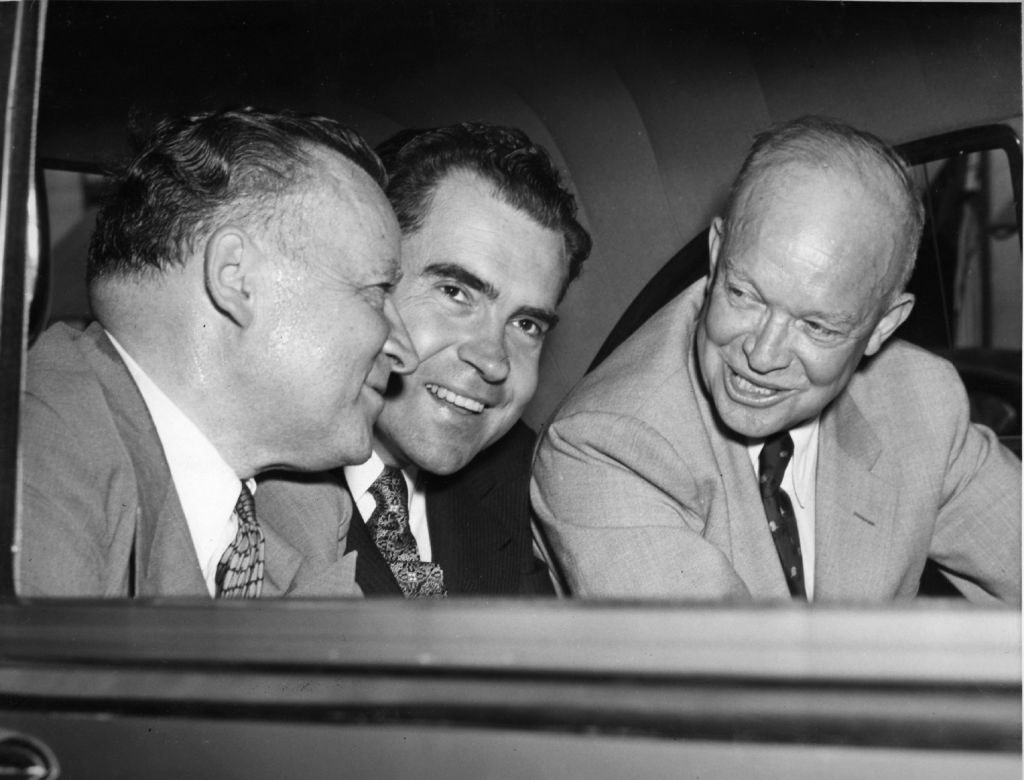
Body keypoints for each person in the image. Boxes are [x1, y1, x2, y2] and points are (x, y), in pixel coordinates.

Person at [531, 116, 1021, 603]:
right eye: (744, 295)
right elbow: (730, 658)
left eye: (816, 327)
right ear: (717, 254)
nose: (761, 356)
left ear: (883, 327)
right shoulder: (607, 445)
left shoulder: (921, 401)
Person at [16, 108, 418, 598]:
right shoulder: (33, 458)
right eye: (376, 292)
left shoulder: (302, 508)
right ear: (236, 278)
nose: (405, 352)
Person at [340, 122, 591, 597]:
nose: (493, 361)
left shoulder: (533, 481)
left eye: (526, 324)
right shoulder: (251, 485)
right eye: (456, 293)